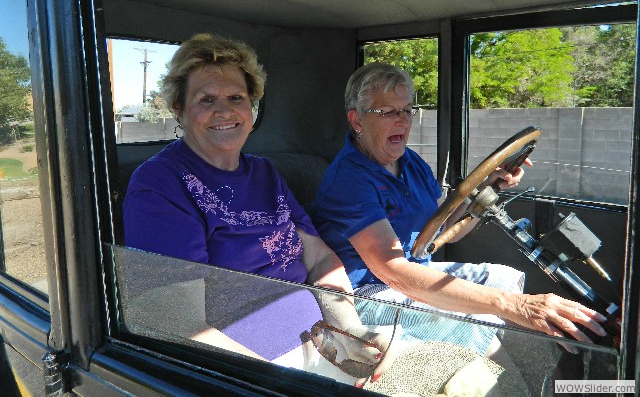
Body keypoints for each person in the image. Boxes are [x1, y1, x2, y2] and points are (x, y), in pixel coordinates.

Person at [123, 34, 394, 386]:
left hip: (325, 339)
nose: (224, 110)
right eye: (206, 99)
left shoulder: (265, 173)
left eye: (236, 97)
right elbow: (175, 321)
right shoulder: (161, 183)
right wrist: (275, 381)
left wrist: (350, 329)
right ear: (179, 108)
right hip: (253, 370)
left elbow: (319, 259)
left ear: (251, 106)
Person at [312, 62, 607, 357]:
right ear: (357, 120)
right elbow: (394, 272)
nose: (402, 121)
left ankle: (574, 356)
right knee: (486, 316)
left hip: (415, 272)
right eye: (388, 112)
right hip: (367, 294)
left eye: (407, 110)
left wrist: (488, 188)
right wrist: (514, 306)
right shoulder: (348, 180)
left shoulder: (411, 163)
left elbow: (444, 233)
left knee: (504, 278)